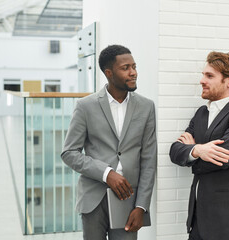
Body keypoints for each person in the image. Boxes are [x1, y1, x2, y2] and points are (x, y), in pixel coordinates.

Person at [61, 44, 157, 240]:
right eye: (125, 68)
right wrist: (106, 173)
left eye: (134, 66)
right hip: (93, 199)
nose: (133, 73)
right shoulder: (85, 106)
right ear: (109, 73)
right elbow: (69, 153)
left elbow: (149, 159)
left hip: (129, 200)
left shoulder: (146, 107)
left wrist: (141, 206)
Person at [169, 51, 229, 240]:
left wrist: (192, 154)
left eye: (209, 76)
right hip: (197, 222)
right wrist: (198, 150)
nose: (202, 80)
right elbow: (175, 151)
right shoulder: (201, 114)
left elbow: (222, 159)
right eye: (203, 75)